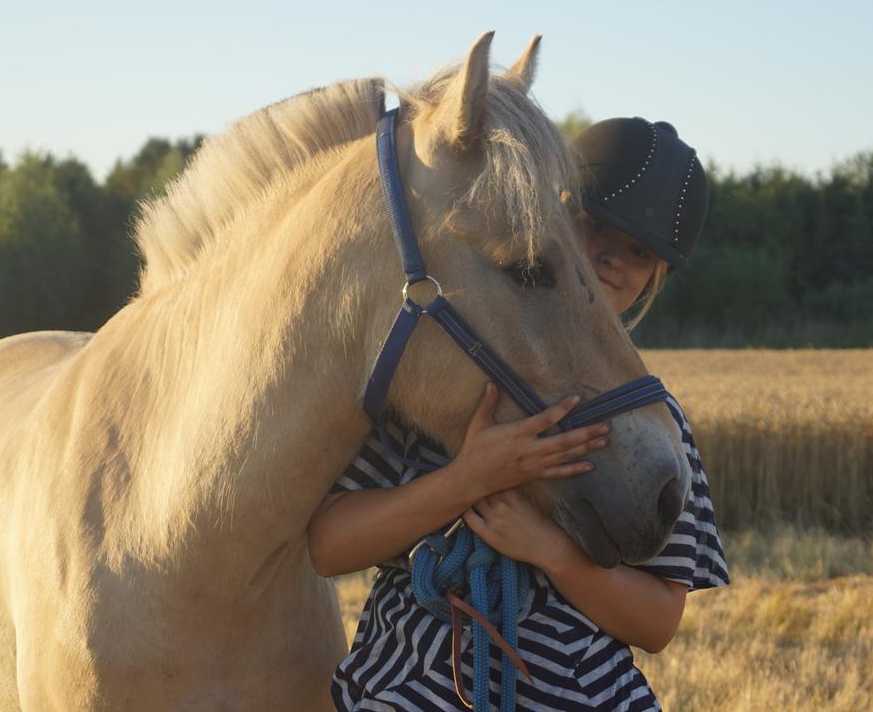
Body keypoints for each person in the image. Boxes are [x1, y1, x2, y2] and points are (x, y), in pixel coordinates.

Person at [308, 117, 729, 711]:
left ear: (657, 275)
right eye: (596, 228)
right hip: (407, 688)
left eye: (640, 252)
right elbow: (329, 547)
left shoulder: (654, 423)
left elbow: (658, 621)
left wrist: (548, 550)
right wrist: (468, 479)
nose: (613, 260)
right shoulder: (443, 368)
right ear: (550, 216)